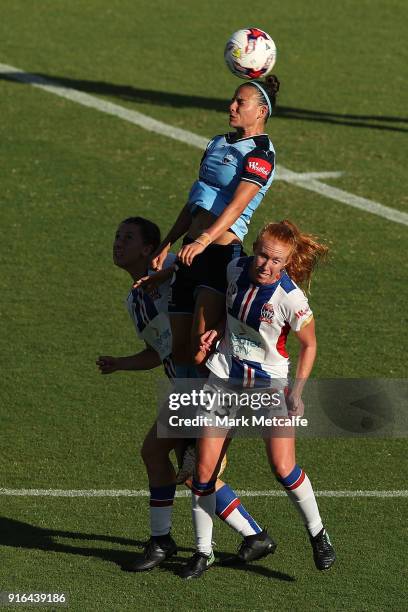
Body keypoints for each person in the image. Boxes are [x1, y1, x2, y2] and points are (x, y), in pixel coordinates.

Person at [96, 216, 276, 572]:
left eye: (127, 238)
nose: (118, 243)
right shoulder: (134, 300)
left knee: (160, 455)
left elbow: (210, 308)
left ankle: (163, 541)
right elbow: (158, 350)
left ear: (150, 249)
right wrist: (121, 363)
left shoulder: (175, 277)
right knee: (193, 474)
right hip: (183, 388)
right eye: (117, 236)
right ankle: (254, 536)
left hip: (205, 386)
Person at [178, 220, 336, 579]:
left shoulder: (292, 300)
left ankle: (318, 533)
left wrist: (297, 391)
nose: (265, 265)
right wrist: (215, 333)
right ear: (254, 250)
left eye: (276, 261)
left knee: (283, 468)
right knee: (203, 472)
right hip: (225, 378)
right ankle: (204, 552)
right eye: (262, 255)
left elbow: (309, 344)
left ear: (288, 262)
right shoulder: (235, 269)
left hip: (269, 385)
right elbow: (233, 316)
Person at [150, 76, 280, 371]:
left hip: (219, 256)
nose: (231, 106)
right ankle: (189, 412)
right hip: (189, 252)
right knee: (179, 350)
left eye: (240, 102)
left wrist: (204, 240)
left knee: (201, 352)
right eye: (233, 99)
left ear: (261, 112)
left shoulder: (260, 154)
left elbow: (236, 206)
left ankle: (214, 415)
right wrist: (168, 242)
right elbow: (196, 200)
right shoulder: (217, 142)